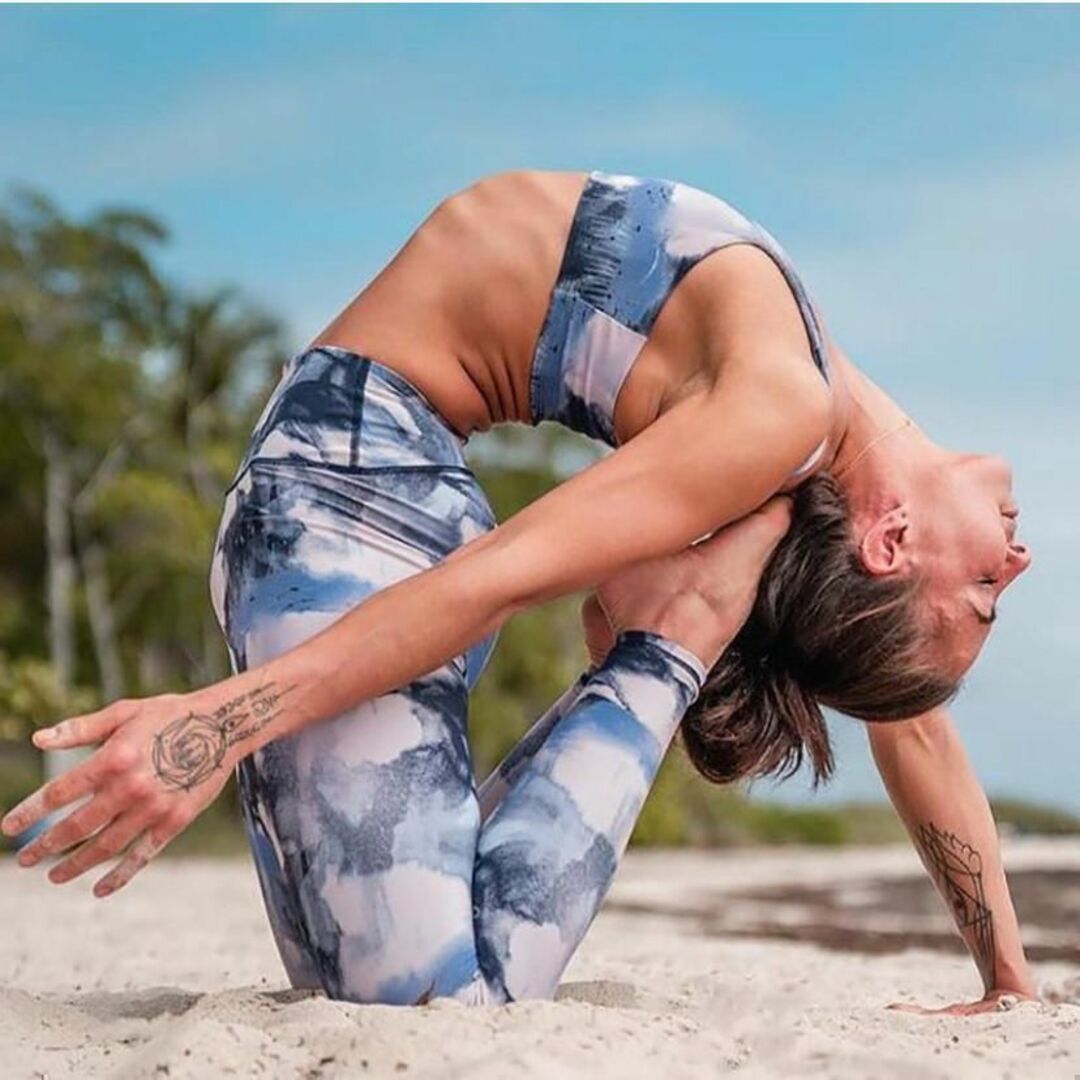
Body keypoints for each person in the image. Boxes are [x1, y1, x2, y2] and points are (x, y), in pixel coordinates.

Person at [1, 169, 1036, 1013]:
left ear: (890, 544)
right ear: (889, 540)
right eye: (988, 600)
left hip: (370, 491)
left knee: (380, 993)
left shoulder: (803, 422)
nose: (1019, 568)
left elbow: (917, 729)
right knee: (416, 999)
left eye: (990, 592)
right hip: (358, 491)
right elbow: (494, 584)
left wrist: (1008, 978)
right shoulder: (799, 407)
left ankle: (677, 630)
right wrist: (216, 726)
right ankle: (676, 636)